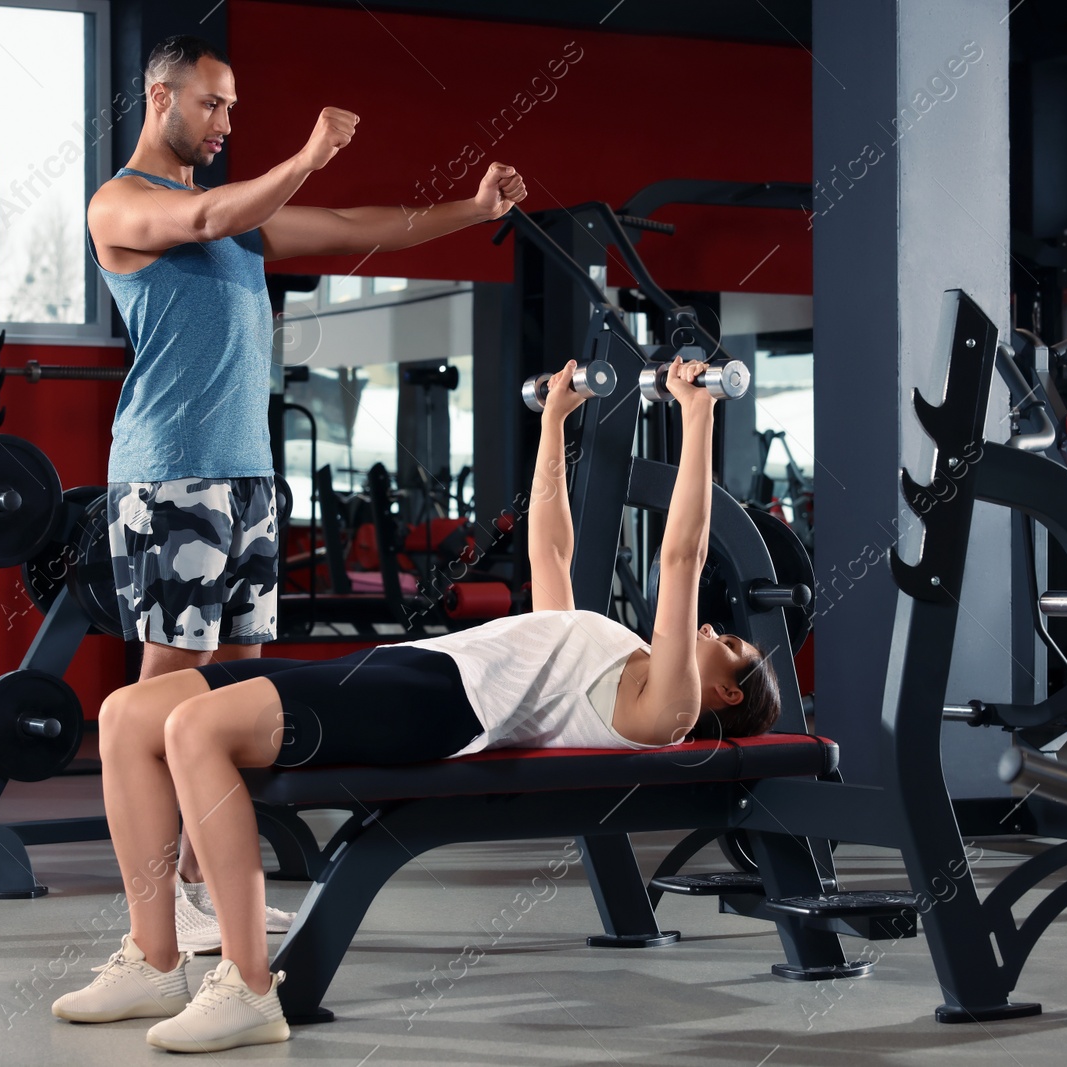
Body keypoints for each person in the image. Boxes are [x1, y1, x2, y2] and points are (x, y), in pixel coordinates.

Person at [50, 356, 783, 1052]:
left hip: (442, 707)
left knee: (195, 729)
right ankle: (154, 959)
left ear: (723, 691)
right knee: (128, 713)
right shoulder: (616, 646)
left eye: (734, 649)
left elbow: (682, 557)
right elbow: (549, 553)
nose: (719, 630)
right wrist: (555, 422)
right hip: (409, 667)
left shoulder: (671, 708)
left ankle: (247, 985)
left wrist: (698, 416)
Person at [84, 33, 528, 948]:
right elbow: (204, 222)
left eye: (235, 108)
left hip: (247, 478)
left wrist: (469, 208)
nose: (226, 122)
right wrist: (307, 155)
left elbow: (363, 225)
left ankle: (206, 896)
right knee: (167, 688)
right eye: (213, 105)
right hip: (173, 475)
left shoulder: (242, 214)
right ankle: (150, 914)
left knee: (234, 695)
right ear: (160, 99)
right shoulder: (124, 203)